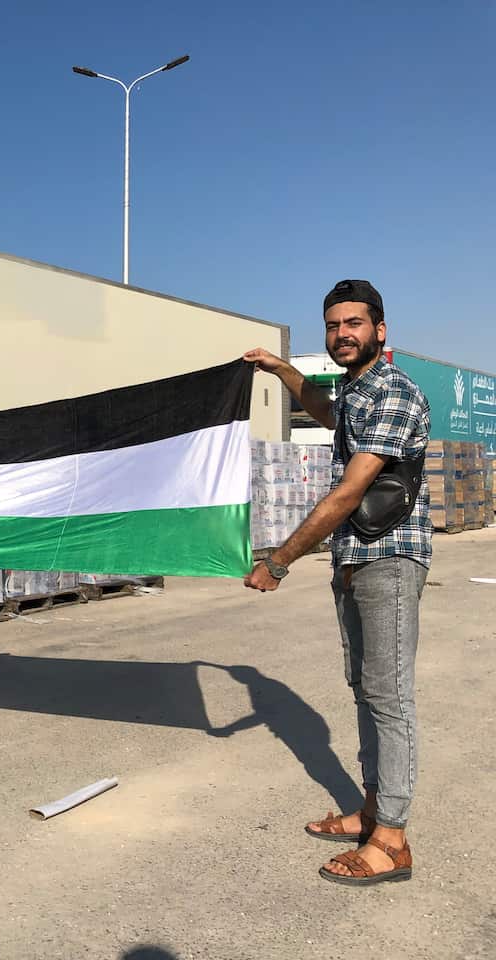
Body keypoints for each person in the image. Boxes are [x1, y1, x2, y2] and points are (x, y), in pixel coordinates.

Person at [243, 279, 430, 885]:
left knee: (389, 695)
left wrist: (279, 559)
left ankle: (393, 839)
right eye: (332, 325)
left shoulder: (396, 393)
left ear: (380, 329)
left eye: (354, 323)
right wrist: (276, 368)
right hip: (353, 558)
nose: (342, 334)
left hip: (390, 559)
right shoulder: (354, 391)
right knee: (365, 688)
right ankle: (373, 808)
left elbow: (349, 491)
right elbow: (323, 409)